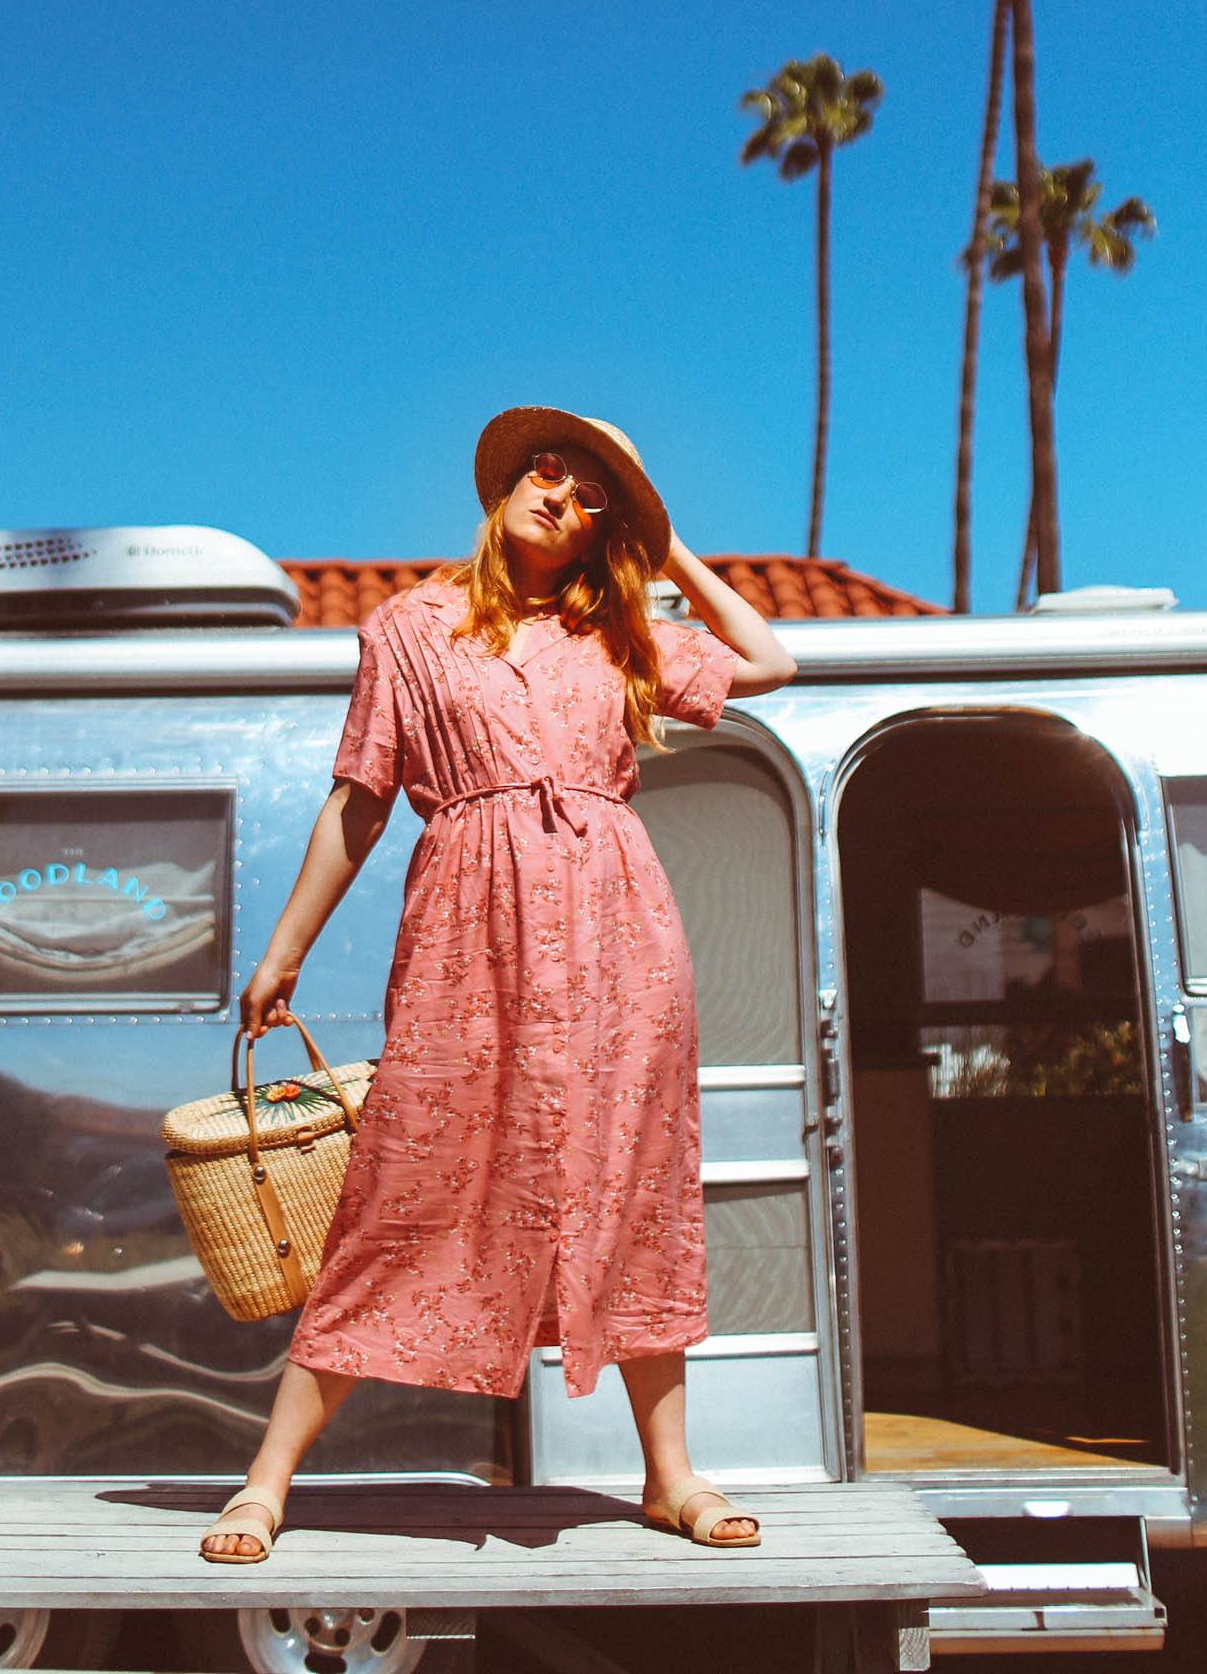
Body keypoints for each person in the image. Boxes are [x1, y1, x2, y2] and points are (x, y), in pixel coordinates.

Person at [200, 406, 801, 1564]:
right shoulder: (408, 630)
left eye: (587, 498)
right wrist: (284, 952)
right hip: (467, 928)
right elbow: (360, 797)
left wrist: (662, 546)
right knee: (407, 1180)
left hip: (619, 935)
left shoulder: (620, 632)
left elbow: (772, 662)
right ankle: (265, 1480)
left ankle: (667, 1478)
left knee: (632, 1187)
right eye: (546, 474)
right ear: (502, 490)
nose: (557, 496)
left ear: (597, 535)